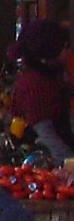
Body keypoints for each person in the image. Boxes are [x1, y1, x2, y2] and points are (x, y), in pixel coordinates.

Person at [11, 19, 74, 160]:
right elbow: (47, 135)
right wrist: (69, 161)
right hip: (47, 163)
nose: (67, 52)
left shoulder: (50, 74)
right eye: (64, 47)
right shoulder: (36, 84)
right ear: (50, 51)